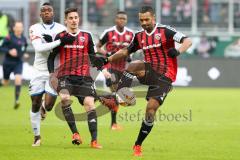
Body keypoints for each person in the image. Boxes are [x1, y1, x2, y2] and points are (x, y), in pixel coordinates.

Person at [96, 6, 192, 156]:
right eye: (141, 20)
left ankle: (138, 145)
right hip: (149, 71)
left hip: (165, 76)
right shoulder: (139, 36)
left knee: (150, 109)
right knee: (134, 65)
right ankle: (117, 99)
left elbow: (187, 41)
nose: (144, 22)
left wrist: (178, 50)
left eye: (147, 19)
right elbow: (125, 51)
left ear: (153, 18)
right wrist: (107, 59)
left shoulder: (165, 31)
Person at [47, 7, 102, 149]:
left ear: (79, 19)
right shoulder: (60, 36)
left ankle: (94, 140)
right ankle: (75, 133)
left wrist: (93, 76)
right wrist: (52, 74)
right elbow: (52, 57)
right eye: (70, 18)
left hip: (84, 78)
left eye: (76, 18)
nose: (74, 20)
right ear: (66, 20)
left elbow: (94, 58)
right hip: (65, 77)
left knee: (90, 104)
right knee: (65, 99)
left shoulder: (87, 36)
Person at [28, 2, 74, 147]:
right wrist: (59, 41)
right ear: (40, 14)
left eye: (49, 10)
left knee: (48, 105)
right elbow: (39, 48)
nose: (47, 12)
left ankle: (44, 107)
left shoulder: (61, 28)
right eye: (44, 11)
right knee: (34, 103)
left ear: (53, 13)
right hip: (38, 70)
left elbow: (66, 47)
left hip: (54, 71)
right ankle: (37, 136)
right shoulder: (34, 28)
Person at [96, 11, 134, 130]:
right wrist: (107, 53)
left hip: (124, 68)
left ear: (126, 21)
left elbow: (134, 48)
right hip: (111, 68)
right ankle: (113, 124)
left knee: (123, 98)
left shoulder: (131, 34)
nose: (122, 20)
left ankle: (97, 97)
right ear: (115, 20)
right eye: (120, 18)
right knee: (116, 93)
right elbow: (97, 47)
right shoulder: (108, 33)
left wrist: (129, 55)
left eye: (124, 19)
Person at [0, 21, 28, 109]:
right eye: (17, 27)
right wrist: (9, 51)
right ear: (14, 28)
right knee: (5, 82)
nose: (19, 29)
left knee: (18, 79)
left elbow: (24, 48)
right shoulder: (9, 37)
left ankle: (16, 101)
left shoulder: (24, 39)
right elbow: (1, 47)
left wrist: (23, 53)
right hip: (8, 63)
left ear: (22, 29)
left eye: (21, 27)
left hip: (18, 62)